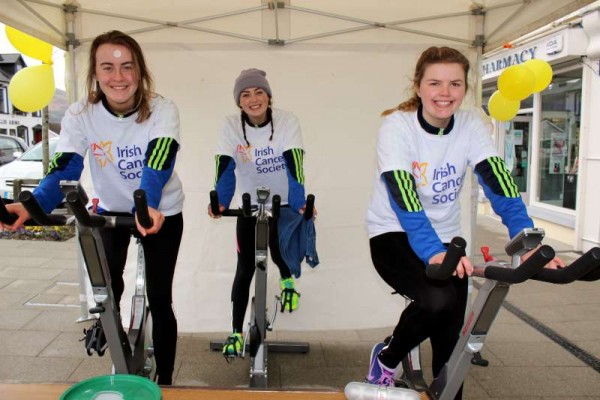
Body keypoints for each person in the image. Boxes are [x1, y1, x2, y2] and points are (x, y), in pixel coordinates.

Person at [364, 46, 564, 398]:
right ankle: (388, 357)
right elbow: (403, 193)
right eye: (436, 83)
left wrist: (528, 242)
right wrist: (431, 252)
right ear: (418, 86)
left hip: (446, 240)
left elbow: (498, 180)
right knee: (436, 303)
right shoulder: (397, 127)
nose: (445, 93)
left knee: (450, 337)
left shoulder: (471, 122)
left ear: (466, 87)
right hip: (392, 233)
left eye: (455, 84)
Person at [0, 30, 184, 385]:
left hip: (161, 211)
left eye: (126, 66)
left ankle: (166, 383)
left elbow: (158, 160)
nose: (118, 77)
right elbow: (67, 166)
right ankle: (111, 336)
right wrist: (35, 204)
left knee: (160, 298)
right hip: (110, 210)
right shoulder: (81, 113)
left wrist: (150, 204)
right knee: (107, 289)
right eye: (108, 67)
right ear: (96, 73)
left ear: (140, 72)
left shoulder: (162, 108)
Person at [208, 68, 311, 360]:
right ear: (239, 102)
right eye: (245, 94)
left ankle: (288, 283)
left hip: (283, 203)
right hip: (249, 204)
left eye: (258, 92)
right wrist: (220, 201)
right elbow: (225, 165)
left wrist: (299, 199)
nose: (253, 99)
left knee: (280, 253)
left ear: (268, 96)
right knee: (245, 267)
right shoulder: (230, 125)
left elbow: (295, 162)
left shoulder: (287, 121)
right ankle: (236, 333)